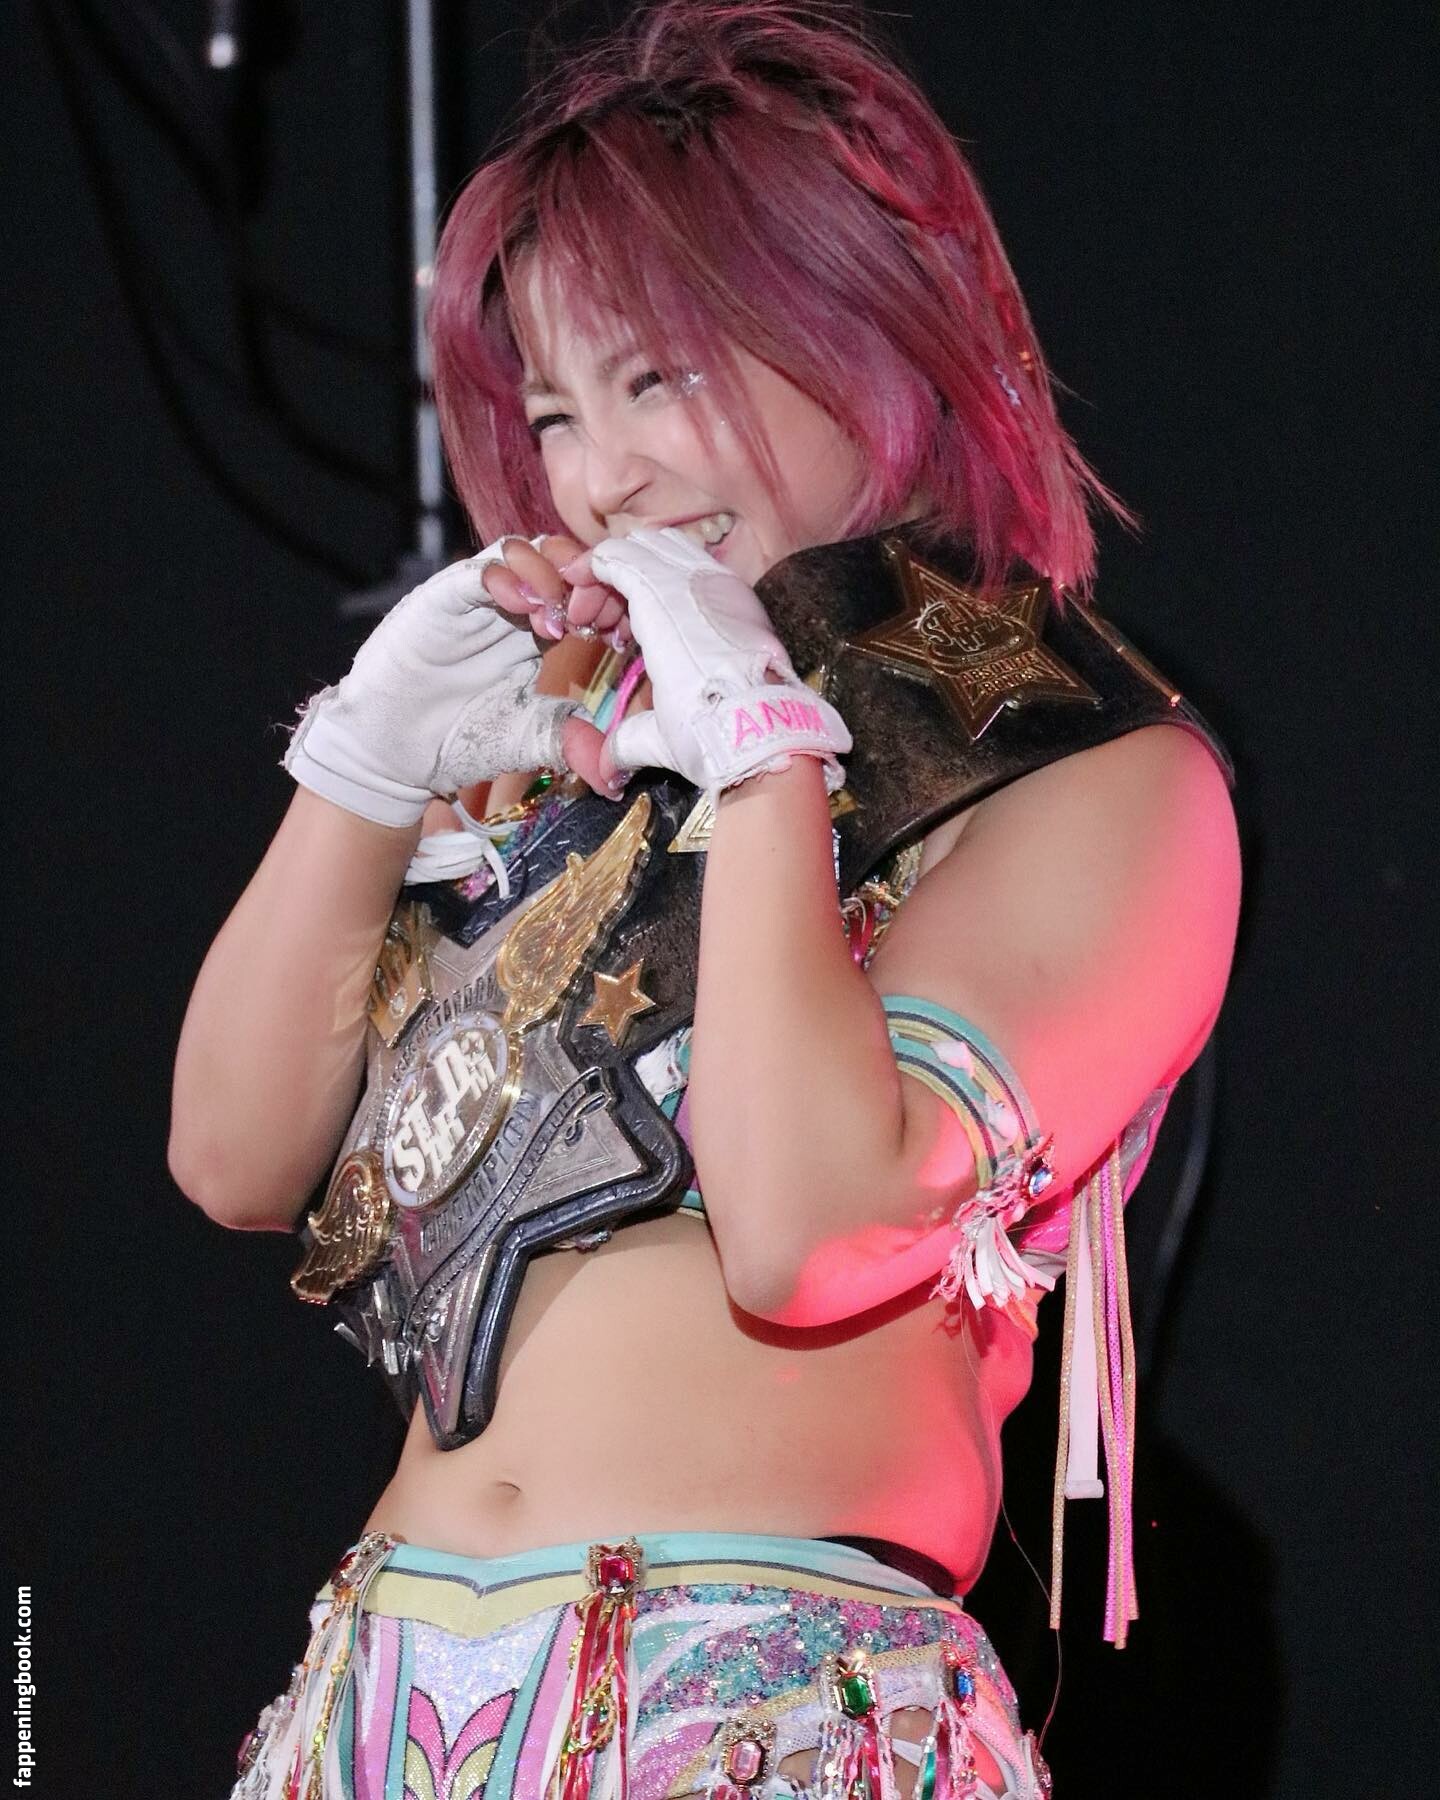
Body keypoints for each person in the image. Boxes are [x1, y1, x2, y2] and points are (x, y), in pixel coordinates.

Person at [170, 5, 1240, 1796]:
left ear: (859, 326)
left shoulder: (1094, 778)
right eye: (557, 411)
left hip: (757, 1708)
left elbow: (805, 1232)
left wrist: (760, 752)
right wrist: (362, 761)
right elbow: (231, 1157)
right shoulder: (571, 756)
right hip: (388, 1698)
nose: (604, 477)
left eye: (658, 381)